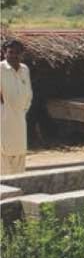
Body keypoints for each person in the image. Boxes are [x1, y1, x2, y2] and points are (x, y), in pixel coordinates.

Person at [1, 39, 33, 175]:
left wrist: (22, 111)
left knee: (20, 155)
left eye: (17, 53)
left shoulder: (24, 69)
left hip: (20, 121)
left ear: (22, 54)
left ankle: (18, 188)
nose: (14, 56)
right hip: (3, 121)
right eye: (10, 52)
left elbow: (28, 95)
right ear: (4, 53)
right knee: (3, 156)